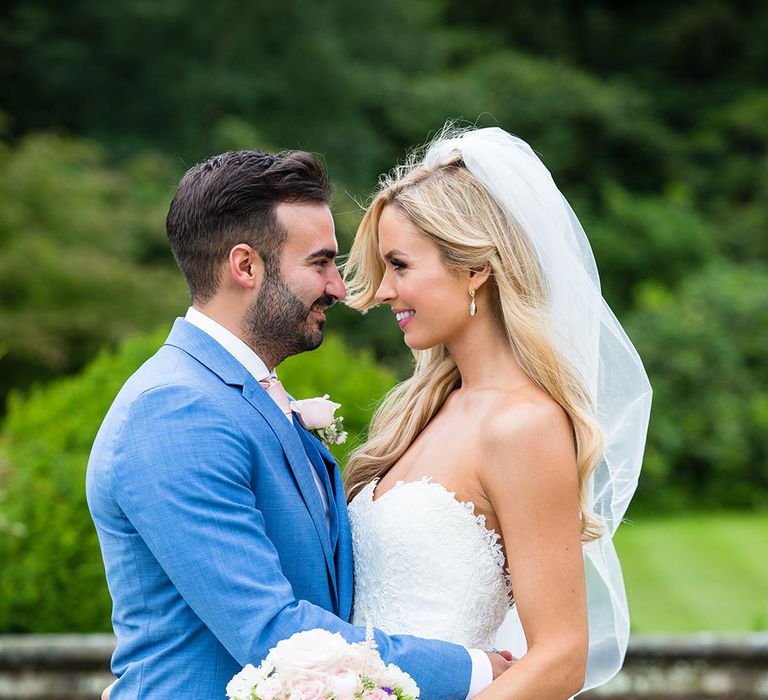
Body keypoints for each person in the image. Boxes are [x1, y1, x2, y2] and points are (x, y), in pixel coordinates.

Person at [86, 149, 512, 699]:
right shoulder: (174, 410)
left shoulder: (242, 396)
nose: (339, 287)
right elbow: (274, 634)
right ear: (245, 267)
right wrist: (476, 671)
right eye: (320, 263)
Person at [343, 125, 652, 699]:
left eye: (400, 266)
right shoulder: (414, 414)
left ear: (475, 269)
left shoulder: (524, 426)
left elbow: (561, 657)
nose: (383, 291)